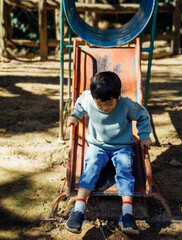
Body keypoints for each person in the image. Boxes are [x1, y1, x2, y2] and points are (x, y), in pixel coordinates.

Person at [66, 71, 152, 234]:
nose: (105, 108)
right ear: (93, 97)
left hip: (121, 146)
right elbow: (79, 105)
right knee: (91, 166)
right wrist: (75, 116)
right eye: (100, 104)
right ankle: (78, 209)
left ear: (118, 96)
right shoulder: (87, 98)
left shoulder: (126, 105)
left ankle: (127, 214)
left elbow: (142, 115)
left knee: (125, 169)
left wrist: (144, 135)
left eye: (109, 104)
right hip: (97, 146)